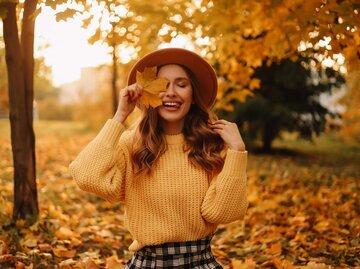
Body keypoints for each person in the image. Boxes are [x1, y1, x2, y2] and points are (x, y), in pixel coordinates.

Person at [69, 48, 248, 268]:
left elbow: (223, 212)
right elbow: (87, 176)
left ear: (193, 97)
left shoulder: (208, 146)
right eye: (162, 85)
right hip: (148, 264)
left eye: (181, 85)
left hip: (200, 264)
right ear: (148, 95)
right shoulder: (131, 145)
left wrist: (237, 152)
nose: (171, 92)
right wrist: (120, 116)